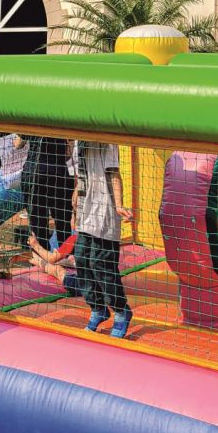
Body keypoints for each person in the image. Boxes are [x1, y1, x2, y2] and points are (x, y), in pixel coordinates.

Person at [73, 141, 134, 338]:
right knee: (81, 258)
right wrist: (76, 199)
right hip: (86, 208)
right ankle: (98, 308)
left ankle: (121, 310)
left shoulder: (107, 141)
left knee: (100, 262)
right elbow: (78, 174)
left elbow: (114, 173)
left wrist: (119, 205)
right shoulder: (77, 140)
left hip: (104, 209)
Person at [21, 136, 74, 252]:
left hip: (35, 173)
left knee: (38, 222)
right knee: (63, 221)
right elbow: (69, 153)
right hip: (58, 172)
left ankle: (41, 257)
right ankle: (67, 255)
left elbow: (18, 143)